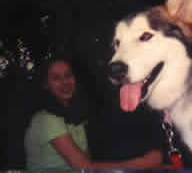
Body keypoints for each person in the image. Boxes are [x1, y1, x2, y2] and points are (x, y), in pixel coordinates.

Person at [24, 53, 171, 170]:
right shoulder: (45, 120)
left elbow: (98, 160)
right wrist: (145, 163)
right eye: (56, 78)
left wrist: (156, 167)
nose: (65, 82)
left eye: (68, 75)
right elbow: (85, 167)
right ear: (45, 85)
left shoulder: (76, 114)